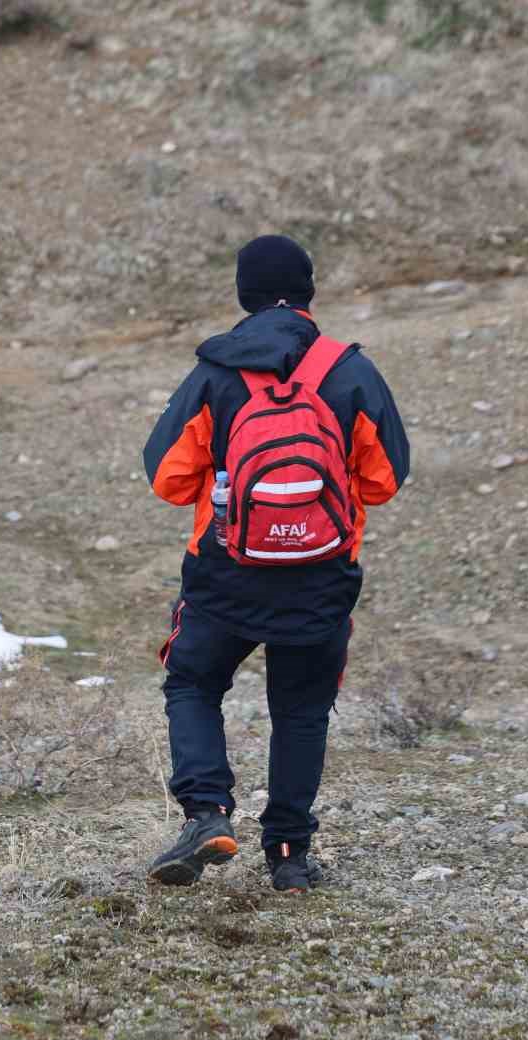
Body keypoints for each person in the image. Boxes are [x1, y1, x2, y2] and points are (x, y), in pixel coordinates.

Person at [141, 235, 409, 893]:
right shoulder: (350, 371)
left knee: (194, 683)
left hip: (225, 575)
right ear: (309, 292)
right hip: (321, 579)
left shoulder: (216, 372)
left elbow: (168, 479)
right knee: (300, 711)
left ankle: (207, 813)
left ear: (243, 295)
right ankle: (288, 856)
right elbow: (384, 480)